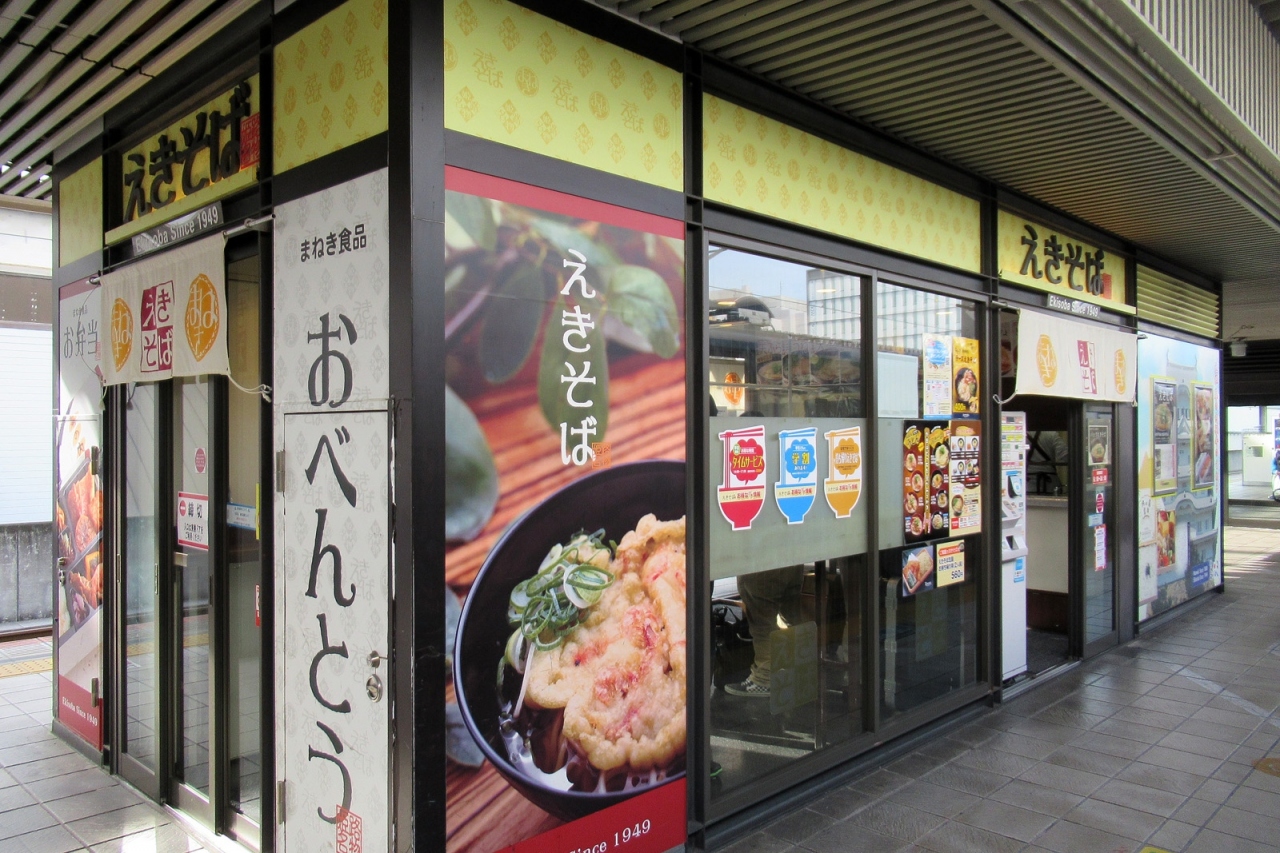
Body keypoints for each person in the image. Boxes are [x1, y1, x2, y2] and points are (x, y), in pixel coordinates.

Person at [725, 565, 805, 697]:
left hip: (762, 566)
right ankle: (798, 674)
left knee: (762, 623)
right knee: (791, 619)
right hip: (792, 563)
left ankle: (764, 680)